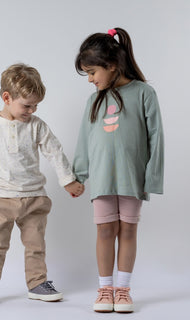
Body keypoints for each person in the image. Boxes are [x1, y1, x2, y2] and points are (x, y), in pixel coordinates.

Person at [0, 63, 84, 307]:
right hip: (0, 199)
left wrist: (67, 180)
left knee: (35, 245)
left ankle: (38, 283)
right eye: (26, 105)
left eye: (36, 105)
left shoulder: (37, 126)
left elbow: (55, 152)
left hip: (34, 197)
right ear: (7, 98)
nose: (32, 110)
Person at [72, 28, 164, 313]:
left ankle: (123, 291)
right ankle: (105, 288)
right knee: (104, 231)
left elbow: (156, 137)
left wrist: (152, 177)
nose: (90, 80)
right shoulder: (93, 100)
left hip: (131, 178)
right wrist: (78, 175)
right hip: (102, 179)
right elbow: (84, 141)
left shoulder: (144, 93)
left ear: (111, 65)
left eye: (92, 72)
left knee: (127, 231)